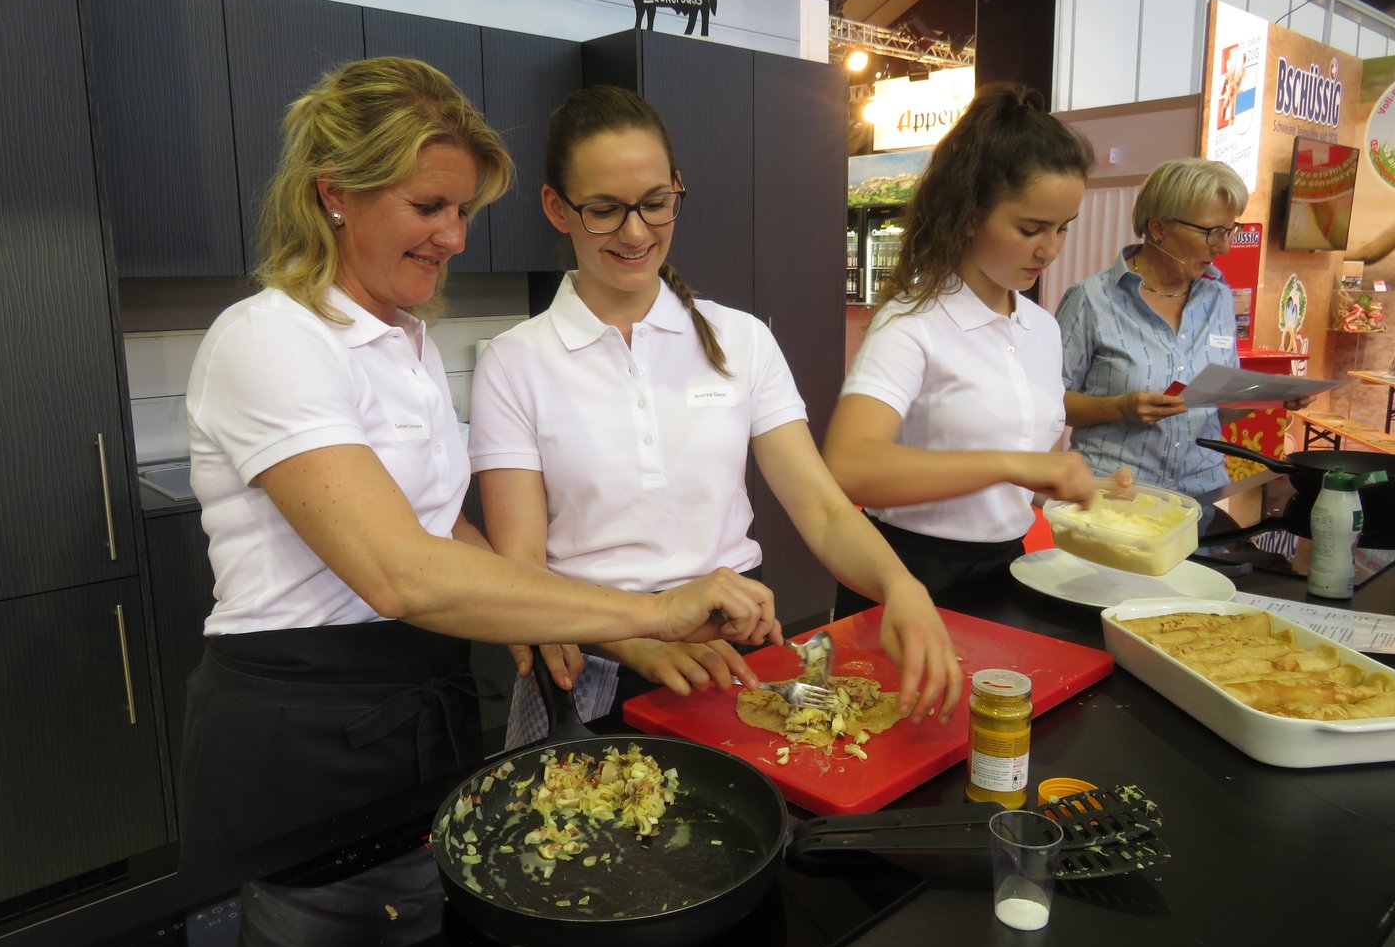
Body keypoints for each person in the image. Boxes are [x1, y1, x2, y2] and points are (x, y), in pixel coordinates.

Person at [178, 58, 780, 867]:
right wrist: (651, 612)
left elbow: (443, 533)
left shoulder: (407, 344)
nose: (455, 237)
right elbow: (401, 572)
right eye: (428, 206)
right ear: (335, 194)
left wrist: (606, 633)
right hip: (305, 724)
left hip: (427, 694)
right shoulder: (271, 337)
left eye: (462, 209)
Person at [467, 84, 962, 748]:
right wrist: (638, 637)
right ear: (557, 208)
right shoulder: (515, 361)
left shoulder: (742, 339)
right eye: (605, 210)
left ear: (677, 187)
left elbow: (820, 506)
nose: (636, 232)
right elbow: (520, 564)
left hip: (731, 652)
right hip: (590, 658)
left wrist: (900, 585)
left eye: (654, 203)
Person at [821, 82, 1103, 617]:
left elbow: (1019, 476)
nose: (1050, 248)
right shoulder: (912, 323)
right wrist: (1012, 465)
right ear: (970, 213)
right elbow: (850, 465)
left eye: (1064, 229)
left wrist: (1082, 488)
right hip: (909, 573)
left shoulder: (1041, 329)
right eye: (1030, 228)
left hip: (1009, 570)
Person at [1056, 157, 1308, 499]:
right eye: (1212, 233)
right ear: (1159, 229)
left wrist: (1273, 396)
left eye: (1229, 231)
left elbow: (1219, 409)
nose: (1224, 247)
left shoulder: (1217, 297)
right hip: (1115, 494)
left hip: (1200, 493)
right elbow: (1051, 406)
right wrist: (1121, 408)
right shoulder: (1091, 300)